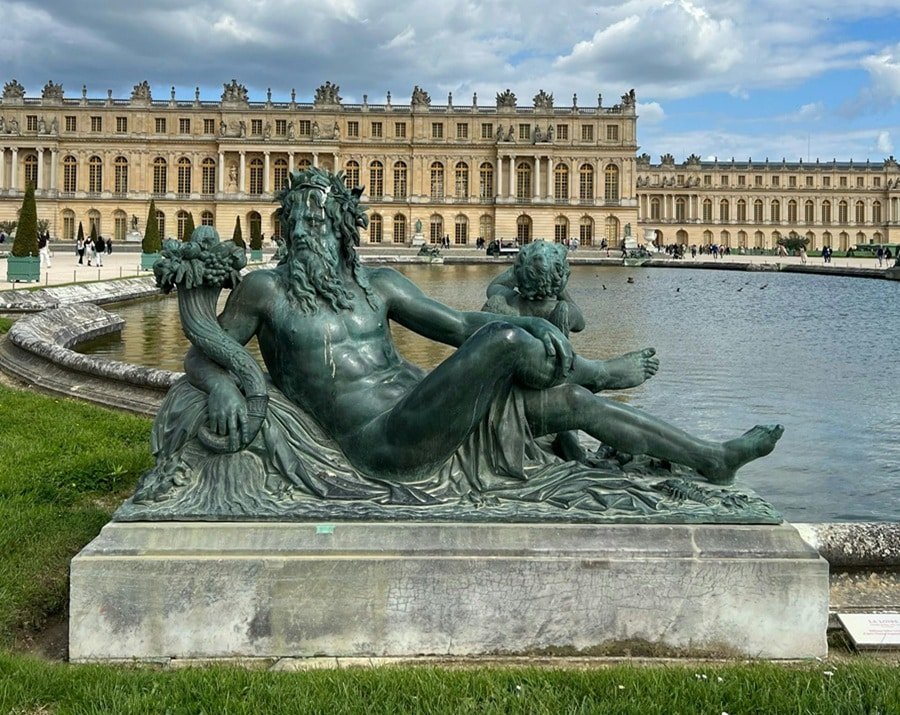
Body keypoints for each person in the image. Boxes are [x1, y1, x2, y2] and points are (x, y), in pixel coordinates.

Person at [182, 168, 782, 490]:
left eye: (323, 219)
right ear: (288, 229)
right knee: (508, 343)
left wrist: (523, 323)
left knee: (567, 401)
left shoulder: (381, 283)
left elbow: (461, 322)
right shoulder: (265, 290)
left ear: (345, 227)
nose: (310, 231)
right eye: (301, 221)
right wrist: (229, 385)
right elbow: (205, 351)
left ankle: (712, 457)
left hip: (424, 410)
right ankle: (599, 371)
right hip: (380, 441)